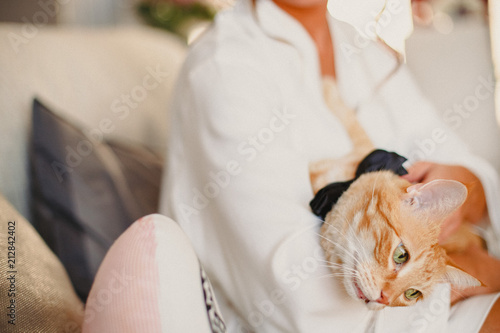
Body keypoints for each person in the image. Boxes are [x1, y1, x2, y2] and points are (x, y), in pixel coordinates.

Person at [160, 0, 500, 331]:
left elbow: (471, 171)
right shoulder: (222, 67)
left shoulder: (365, 51)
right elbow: (300, 297)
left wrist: (467, 188)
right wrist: (478, 271)